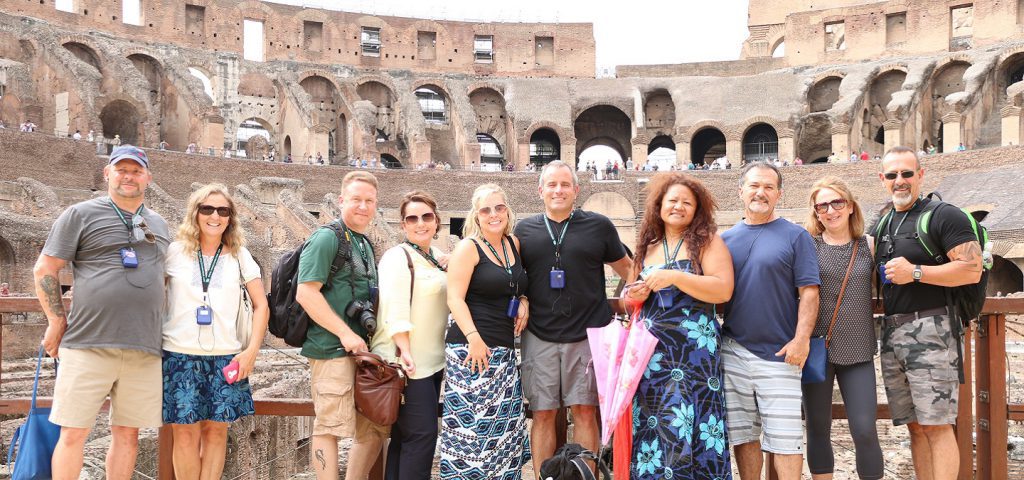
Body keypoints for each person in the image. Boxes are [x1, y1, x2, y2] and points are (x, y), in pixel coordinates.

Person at [34, 145, 170, 479]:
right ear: (107, 173)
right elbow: (45, 269)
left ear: (147, 178)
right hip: (87, 343)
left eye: (136, 171)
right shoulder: (79, 214)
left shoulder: (160, 224)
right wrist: (55, 321)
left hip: (144, 347)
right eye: (121, 169)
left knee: (129, 435)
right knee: (73, 432)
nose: (129, 176)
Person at [514, 161, 631, 472]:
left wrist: (638, 300)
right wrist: (522, 298)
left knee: (584, 410)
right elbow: (511, 278)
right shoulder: (524, 230)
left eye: (565, 184)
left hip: (587, 333)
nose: (558, 190)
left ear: (576, 190)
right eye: (551, 184)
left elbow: (629, 271)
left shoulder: (599, 226)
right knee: (542, 413)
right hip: (539, 333)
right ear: (540, 190)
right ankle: (545, 477)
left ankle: (584, 475)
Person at [873, 146, 981, 480]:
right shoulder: (883, 222)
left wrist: (916, 272)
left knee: (937, 426)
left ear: (921, 175)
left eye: (907, 173)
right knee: (915, 428)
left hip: (933, 330)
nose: (900, 181)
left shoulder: (944, 215)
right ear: (883, 180)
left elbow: (972, 269)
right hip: (892, 334)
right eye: (892, 175)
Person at [621, 173, 735, 478]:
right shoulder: (647, 245)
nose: (678, 207)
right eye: (672, 201)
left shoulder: (707, 242)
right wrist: (635, 294)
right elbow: (629, 298)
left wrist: (674, 277)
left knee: (693, 422)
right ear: (660, 206)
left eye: (687, 202)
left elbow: (723, 289)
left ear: (697, 209)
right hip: (653, 356)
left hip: (694, 354)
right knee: (656, 421)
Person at [721, 162, 821, 480]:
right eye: (753, 186)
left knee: (786, 440)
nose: (760, 192)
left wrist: (801, 339)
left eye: (768, 187)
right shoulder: (725, 240)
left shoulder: (796, 236)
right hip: (733, 349)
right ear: (741, 191)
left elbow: (809, 292)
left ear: (778, 194)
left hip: (780, 352)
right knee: (744, 436)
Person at [162, 183, 269, 479]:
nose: (215, 216)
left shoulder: (239, 255)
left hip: (226, 356)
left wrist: (250, 352)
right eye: (207, 209)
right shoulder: (174, 252)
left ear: (230, 217)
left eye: (223, 211)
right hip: (179, 354)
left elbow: (262, 306)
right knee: (184, 435)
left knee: (216, 433)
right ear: (195, 213)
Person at [297, 171, 385, 480]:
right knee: (329, 428)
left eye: (369, 201)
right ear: (341, 200)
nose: (363, 206)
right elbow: (306, 292)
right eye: (356, 199)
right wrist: (345, 332)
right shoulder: (326, 237)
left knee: (374, 429)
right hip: (332, 349)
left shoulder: (363, 243)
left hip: (363, 354)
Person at [441, 183, 530, 479]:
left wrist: (524, 300)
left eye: (499, 207)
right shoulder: (469, 247)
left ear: (508, 210)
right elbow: (454, 297)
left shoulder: (512, 244)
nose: (494, 214)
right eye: (486, 210)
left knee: (503, 433)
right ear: (476, 216)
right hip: (472, 349)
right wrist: (474, 338)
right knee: (472, 436)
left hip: (502, 351)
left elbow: (515, 283)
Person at [802, 176, 884, 480]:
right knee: (818, 427)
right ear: (815, 211)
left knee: (864, 429)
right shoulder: (807, 245)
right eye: (822, 205)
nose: (830, 210)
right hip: (817, 349)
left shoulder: (869, 246)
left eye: (837, 202)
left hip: (859, 348)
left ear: (850, 206)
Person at [370, 191, 449, 480]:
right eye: (412, 218)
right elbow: (396, 307)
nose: (420, 223)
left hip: (430, 363)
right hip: (407, 363)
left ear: (437, 221)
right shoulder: (397, 257)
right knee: (422, 437)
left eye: (426, 217)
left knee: (405, 439)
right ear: (403, 225)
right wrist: (404, 351)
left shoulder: (431, 257)